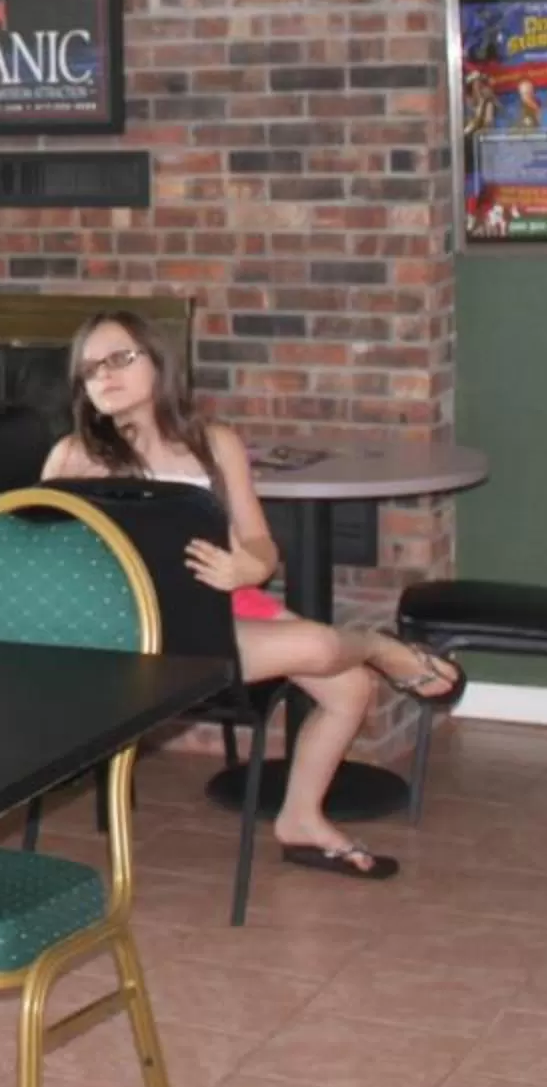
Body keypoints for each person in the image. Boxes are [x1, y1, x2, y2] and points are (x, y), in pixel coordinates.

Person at [42, 309, 463, 880]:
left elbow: (262, 546)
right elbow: (44, 561)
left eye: (120, 358)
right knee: (325, 648)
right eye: (91, 369)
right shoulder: (73, 457)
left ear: (159, 363)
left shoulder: (214, 444)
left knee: (350, 688)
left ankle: (301, 819)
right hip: (138, 634)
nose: (105, 376)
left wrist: (247, 566)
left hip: (218, 610)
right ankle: (381, 647)